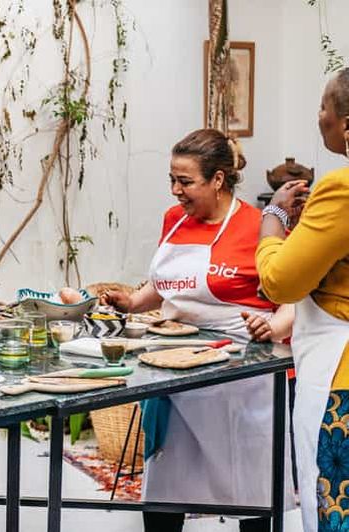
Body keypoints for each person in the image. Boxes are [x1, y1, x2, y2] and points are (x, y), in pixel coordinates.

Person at [101, 128, 294, 532]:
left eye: (185, 181)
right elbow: (168, 285)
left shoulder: (258, 226)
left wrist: (272, 326)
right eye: (172, 179)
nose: (175, 190)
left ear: (218, 179)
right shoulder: (174, 221)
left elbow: (296, 294)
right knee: (166, 487)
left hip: (241, 380)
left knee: (251, 491)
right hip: (176, 374)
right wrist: (132, 302)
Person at [256, 68, 349, 532]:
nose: (319, 116)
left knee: (334, 505)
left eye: (323, 106)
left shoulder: (342, 188)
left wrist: (272, 220)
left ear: (346, 124)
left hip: (340, 374)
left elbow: (281, 282)